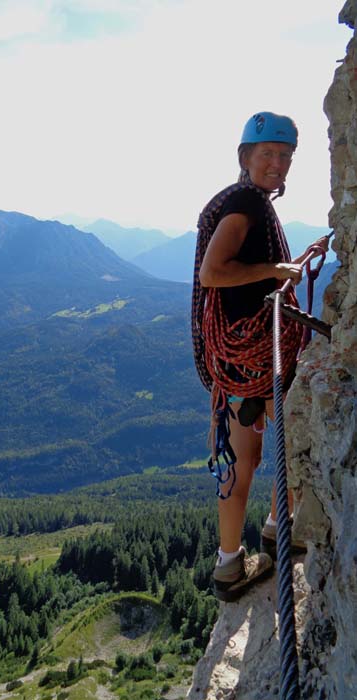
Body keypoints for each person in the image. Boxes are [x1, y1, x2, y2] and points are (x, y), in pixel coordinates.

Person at [192, 111, 329, 602]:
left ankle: (230, 565)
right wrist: (277, 269)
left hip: (233, 362)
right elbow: (214, 272)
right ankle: (276, 532)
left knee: (240, 458)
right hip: (258, 349)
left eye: (286, 156)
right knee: (290, 446)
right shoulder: (248, 202)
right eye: (268, 154)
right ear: (246, 158)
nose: (278, 163)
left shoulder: (239, 200)